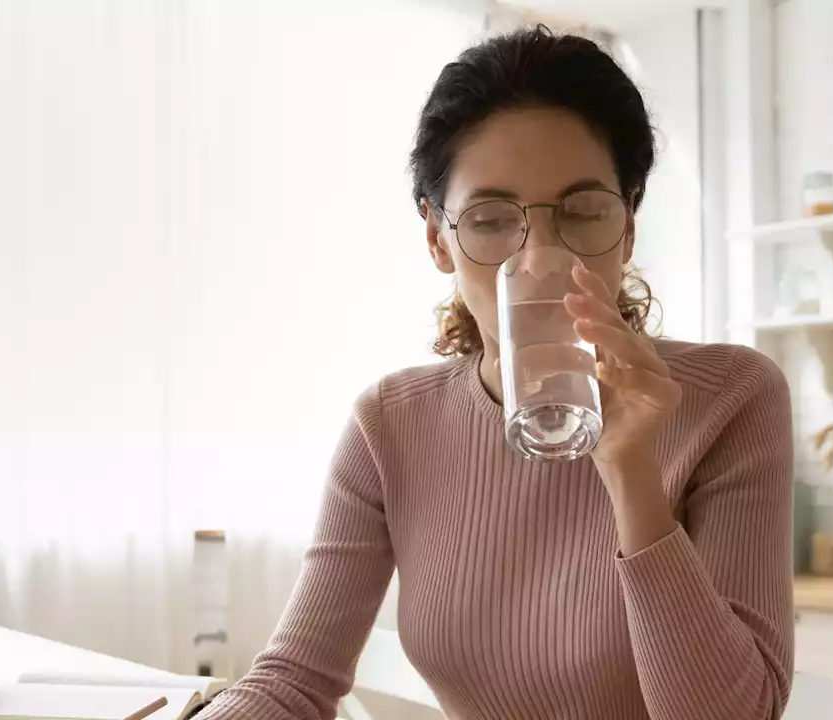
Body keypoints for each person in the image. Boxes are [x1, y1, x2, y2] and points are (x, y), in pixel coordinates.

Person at [195, 25, 794, 720]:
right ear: (437, 237)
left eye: (581, 212)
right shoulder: (390, 422)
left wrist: (632, 474)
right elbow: (293, 682)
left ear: (627, 224)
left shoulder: (733, 399)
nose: (539, 256)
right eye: (489, 219)